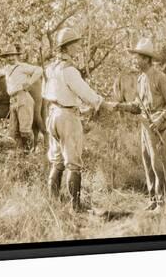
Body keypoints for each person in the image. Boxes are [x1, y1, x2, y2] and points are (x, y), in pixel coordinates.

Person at [42, 28, 117, 212]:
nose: (79, 47)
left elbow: (47, 93)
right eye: (75, 44)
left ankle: (55, 204)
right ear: (67, 47)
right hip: (67, 116)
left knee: (56, 161)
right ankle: (75, 207)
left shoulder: (50, 68)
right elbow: (86, 94)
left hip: (52, 114)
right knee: (73, 163)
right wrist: (103, 104)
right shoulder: (69, 71)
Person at [117, 38, 166, 211]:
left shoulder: (160, 77)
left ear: (146, 59)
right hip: (144, 125)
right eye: (134, 57)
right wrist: (120, 106)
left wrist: (160, 119)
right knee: (147, 161)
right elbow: (139, 105)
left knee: (158, 163)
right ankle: (153, 199)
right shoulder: (141, 78)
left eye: (137, 57)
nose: (134, 60)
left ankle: (162, 201)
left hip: (157, 126)